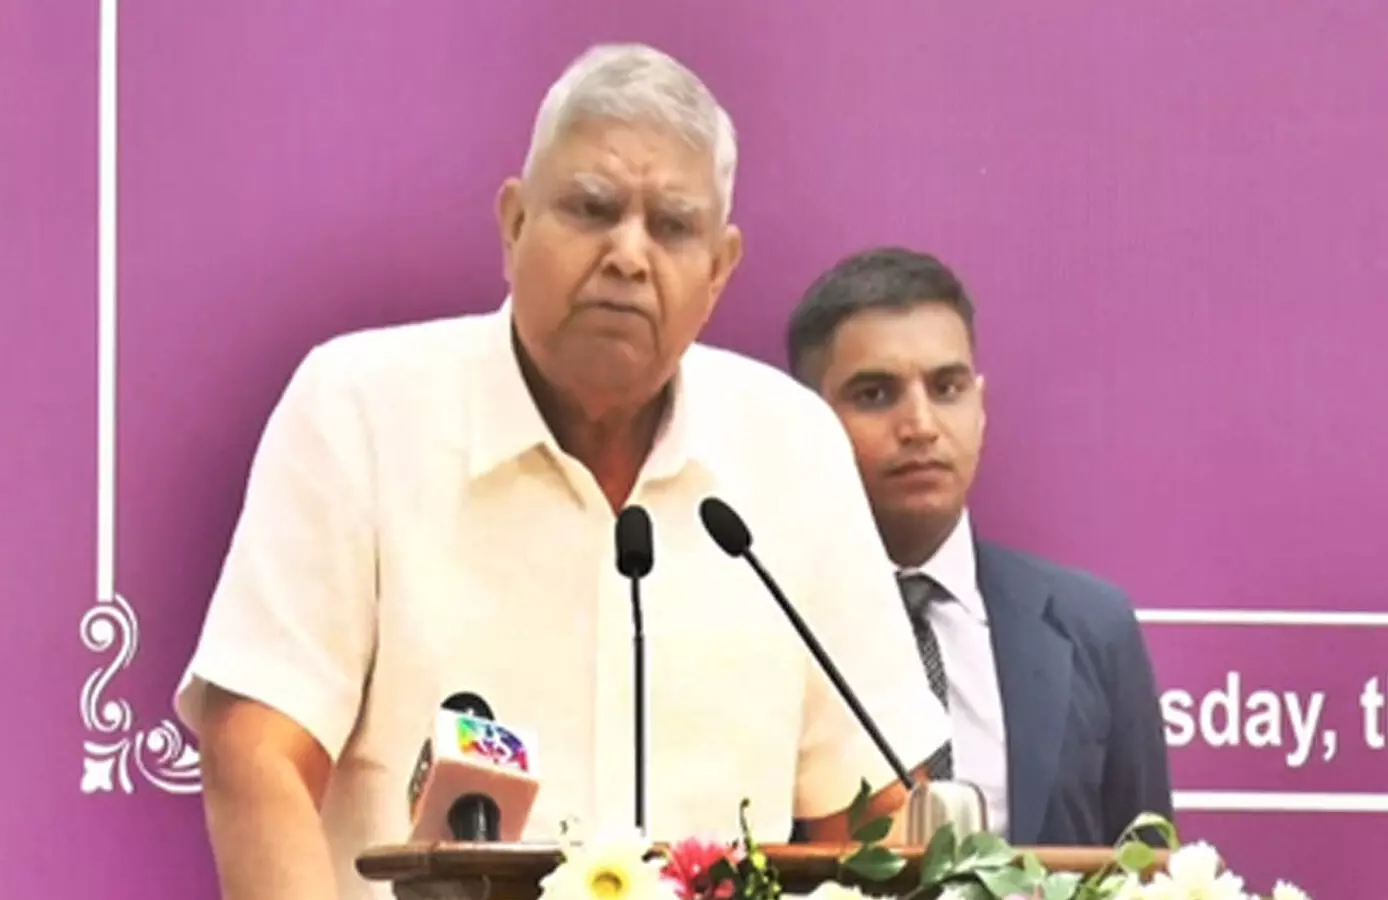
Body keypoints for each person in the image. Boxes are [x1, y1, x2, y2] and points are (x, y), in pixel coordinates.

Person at [174, 46, 949, 900]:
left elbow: (874, 814)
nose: (628, 255)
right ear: (513, 224)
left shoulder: (792, 449)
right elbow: (256, 753)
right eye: (592, 209)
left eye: (672, 227)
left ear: (720, 270)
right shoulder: (359, 411)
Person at [785, 247, 1173, 846]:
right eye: (876, 395)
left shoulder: (1093, 627)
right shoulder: (766, 622)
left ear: (980, 407)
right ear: (806, 420)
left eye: (947, 388)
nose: (921, 426)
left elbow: (1147, 867)